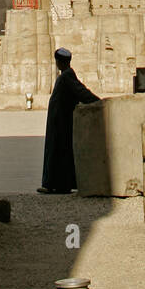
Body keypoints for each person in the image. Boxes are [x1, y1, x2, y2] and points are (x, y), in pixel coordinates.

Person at [38, 48, 100, 193]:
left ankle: (57, 185)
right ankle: (54, 184)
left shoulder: (67, 77)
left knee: (60, 152)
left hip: (62, 123)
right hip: (58, 122)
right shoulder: (65, 76)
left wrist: (98, 102)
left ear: (60, 62)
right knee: (57, 152)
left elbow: (82, 92)